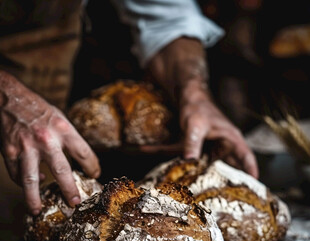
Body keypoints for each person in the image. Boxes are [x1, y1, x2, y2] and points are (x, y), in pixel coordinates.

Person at [0, 0, 258, 217]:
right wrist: (7, 97)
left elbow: (165, 16)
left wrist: (194, 92)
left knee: (45, 215)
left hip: (44, 101)